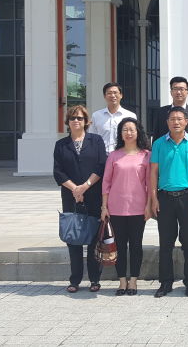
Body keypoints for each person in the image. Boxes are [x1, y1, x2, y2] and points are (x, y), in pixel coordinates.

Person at [149, 106, 188, 298]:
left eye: (179, 119)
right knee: (166, 242)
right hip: (164, 198)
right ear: (167, 122)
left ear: (186, 122)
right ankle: (165, 283)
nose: (176, 122)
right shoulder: (158, 144)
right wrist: (153, 198)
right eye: (172, 119)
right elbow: (153, 172)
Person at [53, 105, 106, 293]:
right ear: (68, 122)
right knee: (73, 238)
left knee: (93, 239)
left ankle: (94, 279)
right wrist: (75, 188)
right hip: (70, 196)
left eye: (80, 118)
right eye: (73, 118)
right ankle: (74, 280)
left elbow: (101, 166)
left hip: (93, 195)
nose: (77, 121)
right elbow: (57, 171)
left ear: (86, 122)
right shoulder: (61, 145)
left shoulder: (96, 141)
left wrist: (85, 186)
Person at [100, 117, 152, 296]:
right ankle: (122, 280)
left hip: (138, 208)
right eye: (124, 130)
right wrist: (104, 207)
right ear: (120, 134)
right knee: (119, 246)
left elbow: (150, 183)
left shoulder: (146, 155)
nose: (128, 133)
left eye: (131, 129)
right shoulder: (114, 155)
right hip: (116, 208)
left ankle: (134, 281)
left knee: (136, 246)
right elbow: (106, 182)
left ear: (138, 132)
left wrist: (149, 206)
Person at [150, 77, 188, 148]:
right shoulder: (160, 112)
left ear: (187, 92)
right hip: (166, 154)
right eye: (175, 89)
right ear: (171, 92)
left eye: (181, 89)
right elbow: (156, 136)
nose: (178, 92)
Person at [89, 82, 137, 154]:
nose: (112, 95)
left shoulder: (130, 116)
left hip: (122, 156)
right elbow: (91, 137)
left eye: (115, 92)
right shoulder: (96, 116)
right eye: (109, 93)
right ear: (104, 96)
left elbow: (134, 138)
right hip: (101, 156)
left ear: (121, 95)